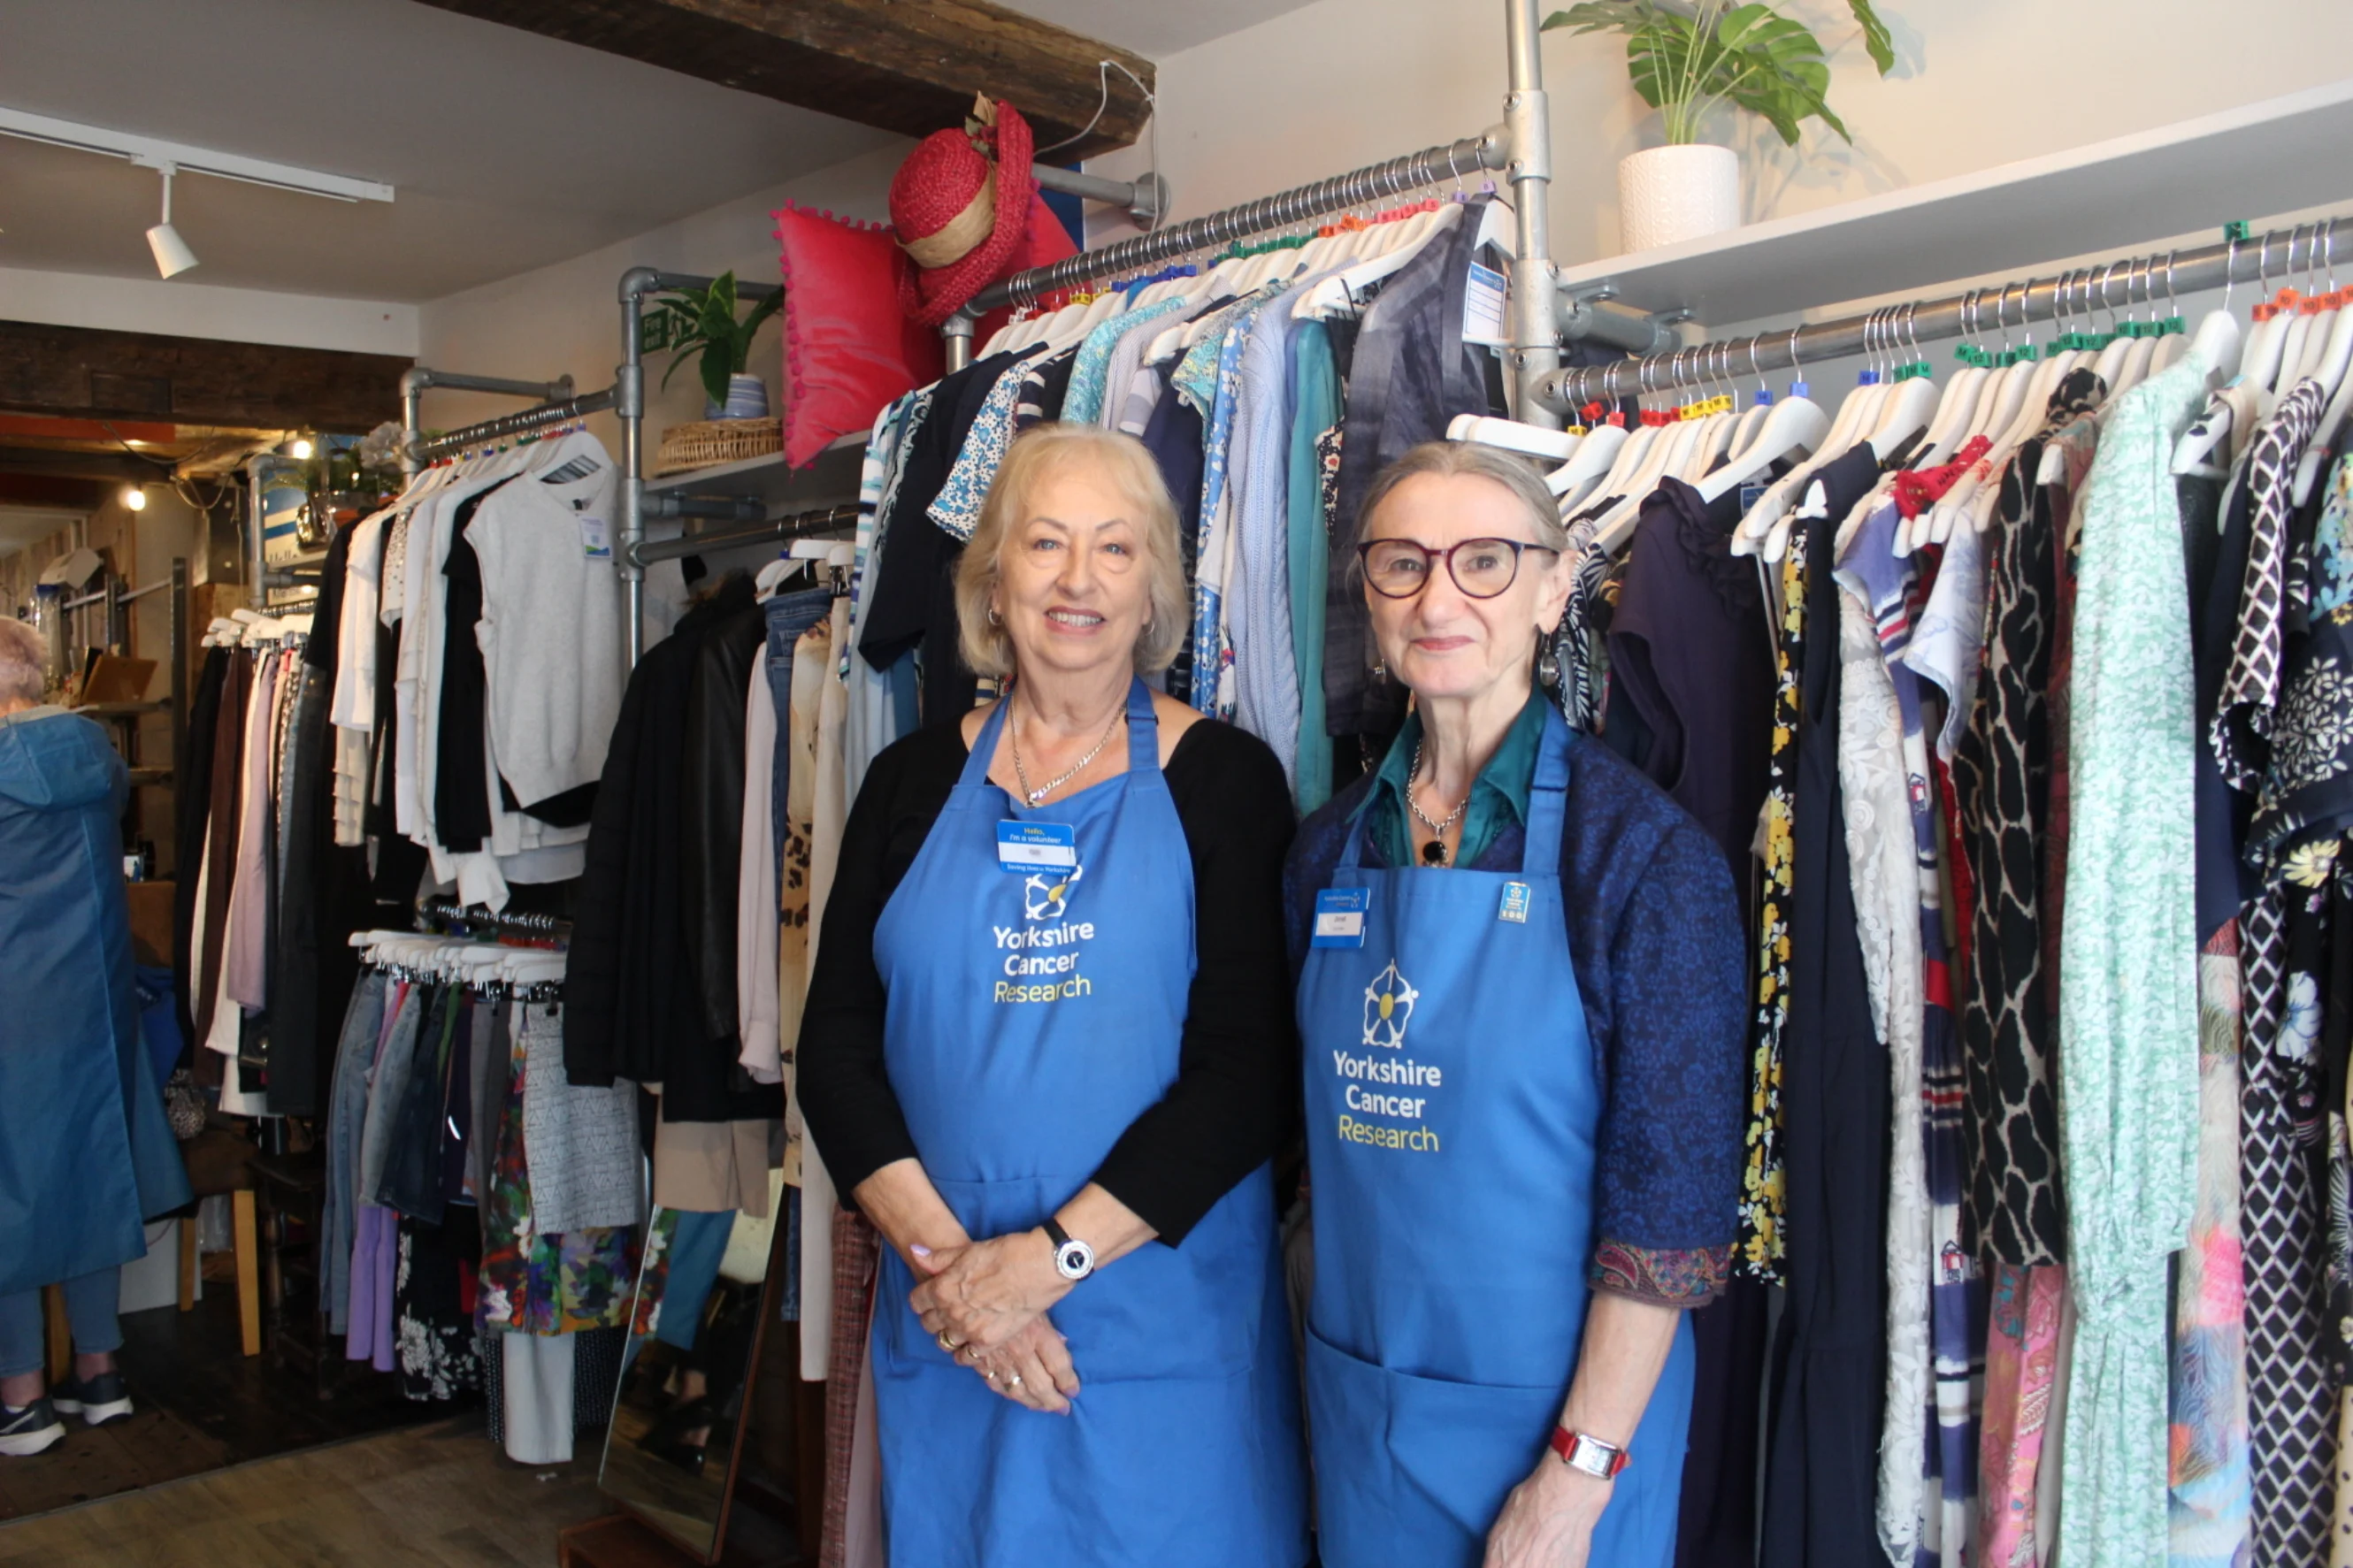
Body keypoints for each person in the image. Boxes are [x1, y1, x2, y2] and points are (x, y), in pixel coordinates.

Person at [800, 423, 1309, 1567]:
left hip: (1152, 1331)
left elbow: (1249, 1077)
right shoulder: (907, 783)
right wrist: (959, 1278)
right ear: (994, 581)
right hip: (949, 1320)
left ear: (1153, 593)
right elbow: (835, 1045)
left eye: (1115, 550)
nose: (1078, 581)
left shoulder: (1226, 782)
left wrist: (1041, 1267)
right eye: (1045, 544)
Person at [1285, 442, 1746, 1568]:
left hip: (1565, 1440)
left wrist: (1575, 1476)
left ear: (1552, 589)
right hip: (1363, 1419)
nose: (1438, 598)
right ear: (1369, 593)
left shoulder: (1640, 861)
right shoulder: (1322, 854)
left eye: (1482, 562)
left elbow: (1666, 1218)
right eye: (1402, 564)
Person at [0, 616, 190, 1456]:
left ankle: (21, 1399)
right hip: (93, 1000)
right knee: (89, 1170)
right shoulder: (97, 754)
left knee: (12, 1188)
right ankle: (101, 1374)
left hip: (12, 1007)